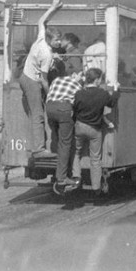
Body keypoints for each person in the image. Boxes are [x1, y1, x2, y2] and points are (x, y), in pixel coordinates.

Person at [19, 0, 62, 159]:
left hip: (25, 75)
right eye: (57, 40)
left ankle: (39, 146)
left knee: (36, 112)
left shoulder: (42, 38)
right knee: (38, 114)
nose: (59, 42)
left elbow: (41, 20)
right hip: (32, 81)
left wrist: (53, 8)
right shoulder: (47, 55)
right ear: (51, 40)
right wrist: (51, 94)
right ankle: (38, 149)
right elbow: (44, 79)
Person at [72, 68, 120, 196]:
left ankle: (76, 177)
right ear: (97, 79)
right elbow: (112, 103)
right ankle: (96, 186)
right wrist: (115, 90)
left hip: (80, 126)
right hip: (95, 129)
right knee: (95, 158)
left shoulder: (79, 93)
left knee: (76, 153)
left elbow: (74, 109)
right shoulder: (102, 94)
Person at [46, 64, 83, 195]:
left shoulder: (57, 80)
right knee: (65, 144)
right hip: (63, 110)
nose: (81, 78)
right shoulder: (77, 85)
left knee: (57, 140)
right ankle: (61, 178)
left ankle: (60, 168)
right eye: (80, 75)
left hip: (50, 109)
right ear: (74, 75)